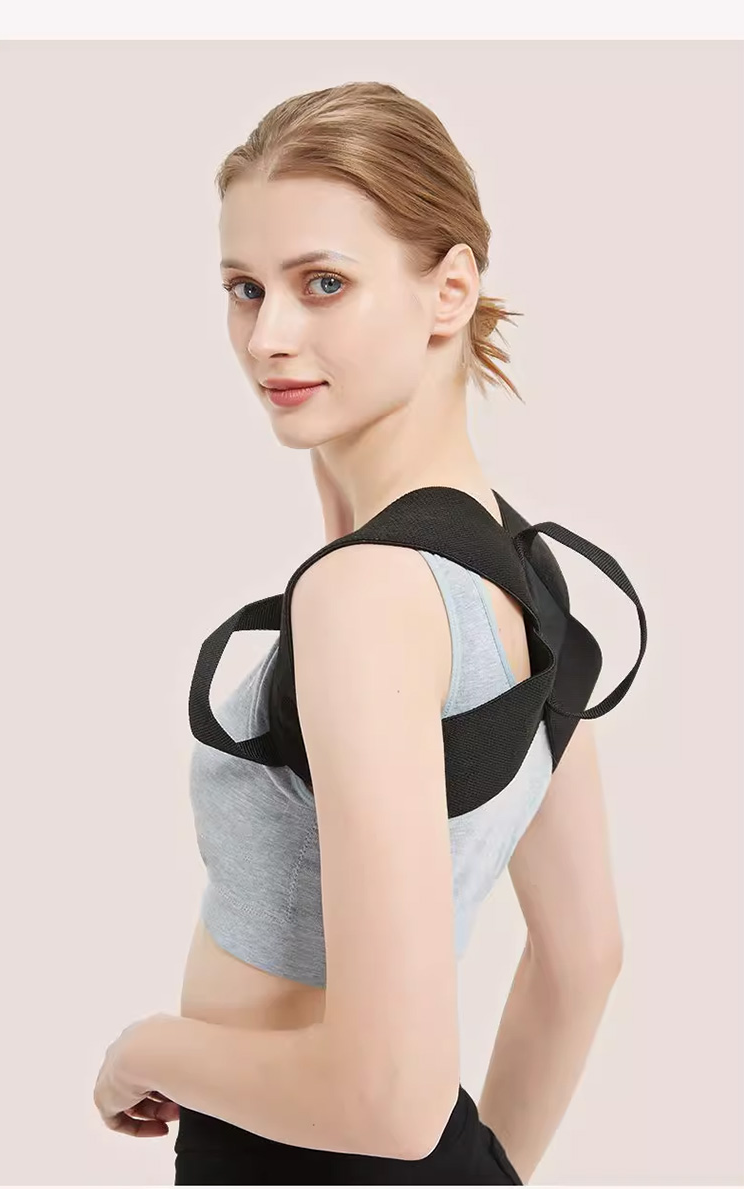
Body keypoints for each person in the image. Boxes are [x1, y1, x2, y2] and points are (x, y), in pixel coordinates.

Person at [173, 81, 624, 1185]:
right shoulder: (520, 566)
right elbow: (584, 958)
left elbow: (386, 1099)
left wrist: (146, 1053)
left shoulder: (366, 598)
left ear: (449, 290)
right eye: (245, 288)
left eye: (323, 283)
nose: (269, 336)